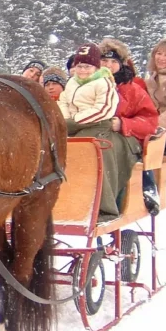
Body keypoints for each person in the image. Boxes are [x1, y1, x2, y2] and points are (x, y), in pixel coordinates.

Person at [59, 43, 123, 222]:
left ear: (96, 67)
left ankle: (106, 208)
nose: (83, 70)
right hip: (71, 124)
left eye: (87, 66)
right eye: (79, 66)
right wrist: (65, 120)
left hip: (97, 126)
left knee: (87, 157)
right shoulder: (72, 83)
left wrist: (76, 120)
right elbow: (63, 101)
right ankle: (65, 201)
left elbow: (103, 109)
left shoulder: (103, 83)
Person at [99, 37, 161, 215]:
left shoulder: (132, 89)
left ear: (121, 64)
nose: (108, 66)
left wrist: (124, 124)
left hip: (125, 138)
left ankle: (111, 204)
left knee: (107, 153)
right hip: (97, 135)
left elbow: (150, 121)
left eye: (113, 62)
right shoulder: (90, 85)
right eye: (104, 61)